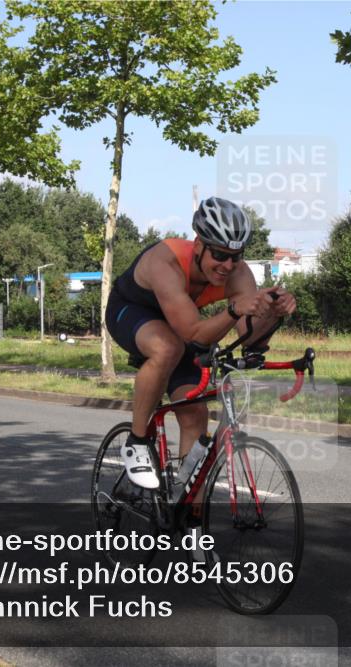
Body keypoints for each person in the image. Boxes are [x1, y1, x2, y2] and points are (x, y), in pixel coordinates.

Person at [105, 197, 296, 489]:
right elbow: (195, 333)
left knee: (195, 412)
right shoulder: (165, 261)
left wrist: (271, 313)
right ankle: (137, 441)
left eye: (236, 256)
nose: (228, 265)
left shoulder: (238, 273)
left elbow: (249, 333)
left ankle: (187, 519)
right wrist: (233, 309)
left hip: (181, 322)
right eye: (219, 255)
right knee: (167, 347)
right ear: (198, 245)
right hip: (130, 311)